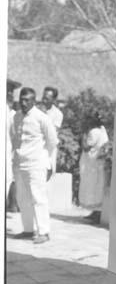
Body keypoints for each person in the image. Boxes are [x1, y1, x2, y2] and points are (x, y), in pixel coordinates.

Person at [10, 87, 58, 243]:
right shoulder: (16, 117)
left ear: (34, 101)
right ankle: (28, 229)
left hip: (36, 164)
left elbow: (52, 141)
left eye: (27, 100)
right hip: (19, 163)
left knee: (38, 198)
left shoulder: (42, 118)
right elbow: (14, 138)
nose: (23, 103)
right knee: (22, 199)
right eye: (21, 99)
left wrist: (47, 162)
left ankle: (44, 232)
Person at [78, 111, 109, 224]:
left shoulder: (93, 132)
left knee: (91, 186)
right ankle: (96, 211)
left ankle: (97, 212)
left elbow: (86, 147)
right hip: (98, 163)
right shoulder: (102, 130)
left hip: (91, 163)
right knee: (97, 186)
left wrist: (83, 135)